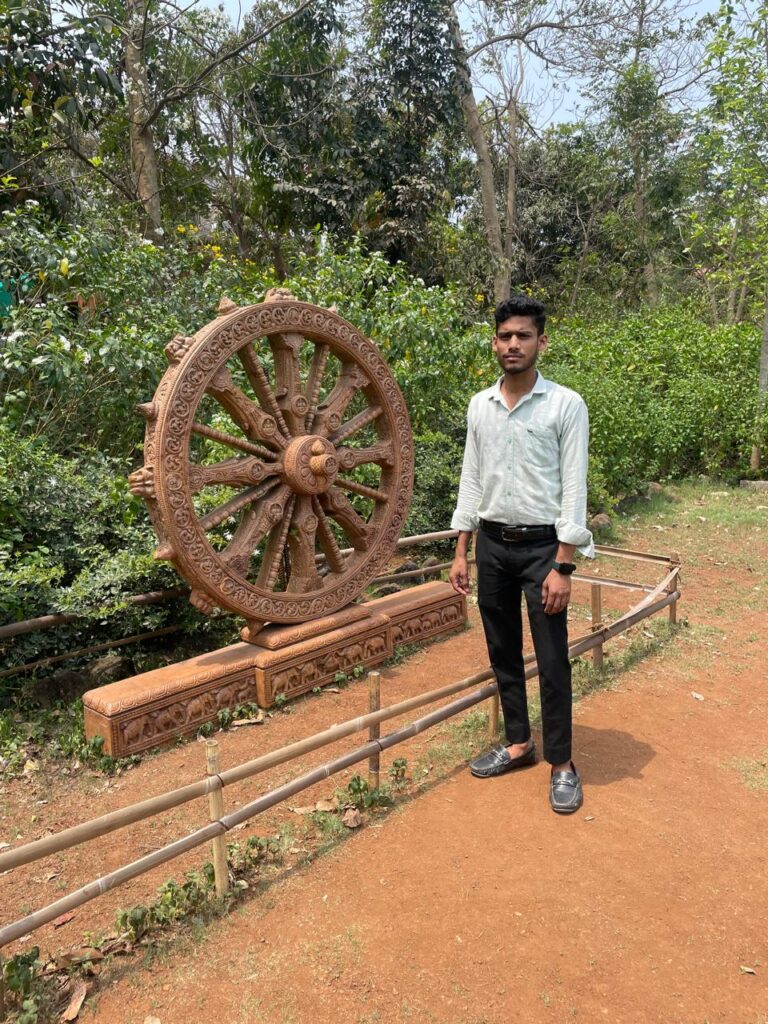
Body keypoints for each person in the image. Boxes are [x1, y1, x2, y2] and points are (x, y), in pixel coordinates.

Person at [449, 295, 594, 814]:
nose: (513, 344)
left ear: (541, 343)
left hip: (541, 550)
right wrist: (462, 547)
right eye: (505, 336)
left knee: (552, 657)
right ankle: (519, 743)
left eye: (524, 336)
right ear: (495, 343)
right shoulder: (479, 405)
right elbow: (472, 477)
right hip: (491, 544)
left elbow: (574, 488)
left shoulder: (565, 405)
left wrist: (563, 564)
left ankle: (562, 763)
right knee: (502, 649)